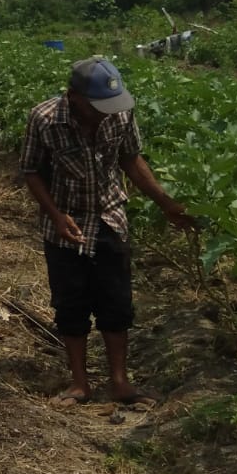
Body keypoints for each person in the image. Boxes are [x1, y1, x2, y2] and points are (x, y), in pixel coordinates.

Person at [19, 56, 197, 407]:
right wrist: (55, 215)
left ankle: (119, 383)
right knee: (70, 304)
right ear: (73, 97)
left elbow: (131, 159)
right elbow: (30, 170)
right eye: (97, 106)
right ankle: (79, 384)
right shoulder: (44, 119)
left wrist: (166, 202)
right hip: (65, 226)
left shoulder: (120, 114)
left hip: (110, 219)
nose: (106, 112)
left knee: (116, 304)